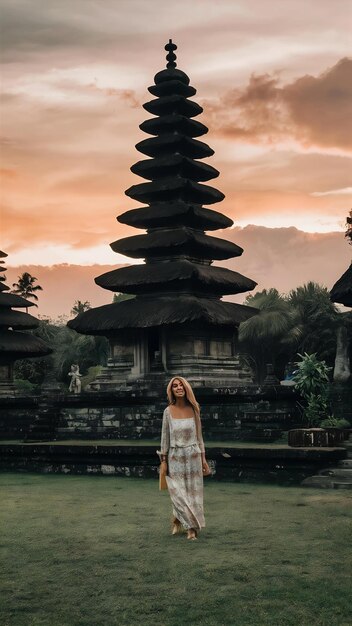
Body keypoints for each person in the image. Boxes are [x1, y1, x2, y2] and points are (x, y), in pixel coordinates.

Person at [159, 376, 210, 540]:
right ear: (172, 390)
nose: (179, 388)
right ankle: (177, 519)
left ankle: (191, 529)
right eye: (175, 386)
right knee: (179, 493)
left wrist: (203, 460)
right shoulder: (168, 411)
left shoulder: (194, 409)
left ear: (186, 388)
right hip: (175, 457)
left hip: (193, 455)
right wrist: (164, 462)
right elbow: (164, 439)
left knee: (193, 493)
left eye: (181, 385)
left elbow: (199, 437)